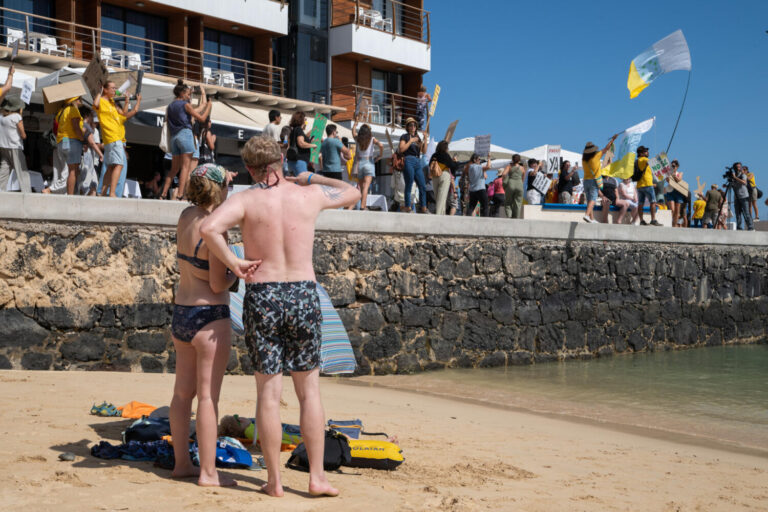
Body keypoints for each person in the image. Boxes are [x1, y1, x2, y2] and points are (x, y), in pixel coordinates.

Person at [200, 136, 360, 498]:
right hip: (304, 293)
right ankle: (317, 478)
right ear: (283, 158)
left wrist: (235, 263)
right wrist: (313, 178)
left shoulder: (244, 200)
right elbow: (352, 191)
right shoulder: (309, 196)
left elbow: (209, 229)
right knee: (309, 391)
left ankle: (274, 482)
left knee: (269, 394)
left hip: (265, 295)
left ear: (250, 168)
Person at [169, 163, 244, 488]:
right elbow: (217, 283)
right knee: (208, 399)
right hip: (209, 318)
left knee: (182, 394)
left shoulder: (186, 216)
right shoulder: (215, 229)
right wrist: (236, 270)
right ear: (219, 190)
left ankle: (182, 464)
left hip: (182, 315)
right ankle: (209, 473)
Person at [159, 81, 212, 200]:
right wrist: (209, 106)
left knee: (174, 169)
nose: (189, 97)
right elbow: (202, 118)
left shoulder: (170, 106)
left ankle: (163, 194)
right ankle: (180, 195)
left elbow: (194, 111)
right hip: (185, 134)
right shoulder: (185, 105)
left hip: (174, 137)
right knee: (185, 168)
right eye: (188, 94)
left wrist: (201, 104)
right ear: (182, 93)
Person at [94, 80, 141, 197]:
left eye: (115, 88)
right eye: (113, 88)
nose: (115, 90)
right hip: (113, 138)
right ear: (105, 89)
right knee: (119, 165)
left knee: (110, 167)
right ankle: (113, 193)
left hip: (112, 139)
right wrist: (99, 91)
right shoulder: (102, 101)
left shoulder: (111, 103)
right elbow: (95, 104)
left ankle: (103, 192)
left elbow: (124, 114)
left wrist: (126, 101)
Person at [581, 135, 618, 223]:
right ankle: (586, 215)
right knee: (592, 200)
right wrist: (613, 139)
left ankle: (591, 219)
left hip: (585, 181)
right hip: (594, 181)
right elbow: (606, 148)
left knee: (589, 200)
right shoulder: (596, 155)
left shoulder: (584, 160)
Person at [55, 96, 85, 195]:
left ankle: (69, 193)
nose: (80, 100)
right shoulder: (73, 110)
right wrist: (83, 139)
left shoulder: (61, 111)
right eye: (79, 99)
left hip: (62, 141)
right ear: (74, 100)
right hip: (72, 141)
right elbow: (76, 127)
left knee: (69, 169)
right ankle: (70, 195)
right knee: (73, 170)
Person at [398, 117, 428, 213]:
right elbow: (401, 149)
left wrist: (425, 139)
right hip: (408, 159)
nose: (413, 126)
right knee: (409, 183)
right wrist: (410, 141)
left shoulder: (418, 137)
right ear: (407, 127)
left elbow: (424, 151)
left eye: (414, 125)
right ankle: (407, 206)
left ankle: (423, 207)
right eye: (411, 125)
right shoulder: (404, 136)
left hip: (417, 161)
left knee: (422, 185)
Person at [350, 122, 382, 210]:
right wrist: (380, 155)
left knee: (361, 187)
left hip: (360, 163)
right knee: (366, 186)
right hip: (369, 162)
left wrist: (354, 126)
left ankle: (361, 205)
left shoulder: (358, 139)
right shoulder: (372, 139)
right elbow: (381, 145)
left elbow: (353, 133)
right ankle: (363, 206)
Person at [0, 95, 27, 193]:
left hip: (3, 146)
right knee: (22, 171)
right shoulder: (17, 117)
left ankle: (1, 191)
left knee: (4, 171)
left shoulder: (1, 117)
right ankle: (26, 193)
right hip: (15, 147)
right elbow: (23, 135)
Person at [429, 140, 461, 215]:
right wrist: (456, 162)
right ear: (446, 148)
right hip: (444, 175)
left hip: (435, 176)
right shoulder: (446, 155)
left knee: (437, 196)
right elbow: (453, 166)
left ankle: (442, 214)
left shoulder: (434, 155)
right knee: (442, 196)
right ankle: (439, 214)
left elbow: (429, 165)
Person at [77, 105, 103, 196]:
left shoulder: (79, 125)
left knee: (91, 182)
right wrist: (101, 154)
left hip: (86, 157)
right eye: (91, 115)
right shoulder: (86, 126)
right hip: (86, 157)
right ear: (87, 116)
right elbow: (92, 142)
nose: (93, 118)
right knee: (87, 182)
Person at [634, 145, 661, 226]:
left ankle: (641, 220)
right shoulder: (643, 159)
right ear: (641, 153)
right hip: (647, 184)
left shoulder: (637, 161)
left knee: (640, 203)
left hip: (639, 185)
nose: (647, 152)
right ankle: (653, 220)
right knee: (653, 202)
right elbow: (652, 162)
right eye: (645, 151)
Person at [286, 112, 316, 176]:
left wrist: (309, 141)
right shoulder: (299, 130)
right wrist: (313, 145)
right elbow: (301, 143)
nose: (306, 122)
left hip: (293, 160)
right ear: (301, 120)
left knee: (296, 182)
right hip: (299, 160)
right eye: (305, 120)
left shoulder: (293, 130)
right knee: (303, 182)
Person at [499, 154, 525, 219]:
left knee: (508, 202)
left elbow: (504, 174)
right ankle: (516, 217)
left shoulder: (509, 166)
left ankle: (509, 216)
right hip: (519, 185)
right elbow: (523, 178)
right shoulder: (522, 168)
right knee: (518, 203)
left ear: (512, 160)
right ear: (519, 160)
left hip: (511, 184)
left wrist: (505, 180)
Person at [730, 162, 754, 230]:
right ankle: (739, 227)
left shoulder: (743, 175)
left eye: (740, 166)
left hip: (744, 196)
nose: (739, 168)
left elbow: (744, 182)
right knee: (738, 213)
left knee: (746, 212)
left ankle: (750, 226)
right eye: (737, 167)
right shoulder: (734, 176)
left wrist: (735, 177)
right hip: (736, 197)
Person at [664, 160, 687, 228]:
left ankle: (674, 225)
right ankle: (673, 223)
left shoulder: (680, 173)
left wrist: (674, 175)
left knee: (677, 210)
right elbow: (667, 180)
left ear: (677, 167)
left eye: (674, 166)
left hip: (678, 193)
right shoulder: (668, 173)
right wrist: (669, 174)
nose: (672, 167)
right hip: (670, 192)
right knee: (673, 210)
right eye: (671, 166)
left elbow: (679, 180)